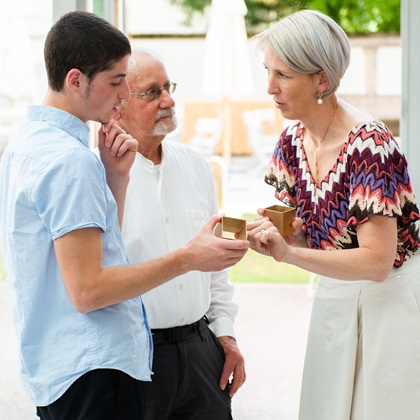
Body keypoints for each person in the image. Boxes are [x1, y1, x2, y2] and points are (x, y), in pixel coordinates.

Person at [0, 12, 249, 420]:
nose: (121, 94)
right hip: (95, 371)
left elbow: (92, 254)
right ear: (76, 80)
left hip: (65, 367)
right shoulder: (71, 161)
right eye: (118, 82)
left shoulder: (25, 146)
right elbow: (88, 290)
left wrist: (115, 179)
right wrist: (188, 258)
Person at [246, 9, 420, 420]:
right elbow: (317, 240)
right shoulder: (291, 142)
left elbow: (376, 262)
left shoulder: (370, 146)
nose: (269, 87)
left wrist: (289, 255)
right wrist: (287, 237)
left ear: (321, 80)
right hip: (334, 296)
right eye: (267, 71)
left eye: (283, 75)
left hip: (390, 301)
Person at [112, 47, 245, 420]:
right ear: (118, 105)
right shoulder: (100, 176)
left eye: (168, 87)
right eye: (152, 92)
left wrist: (226, 335)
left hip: (203, 351)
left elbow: (216, 268)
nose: (169, 100)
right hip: (135, 359)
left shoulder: (196, 165)